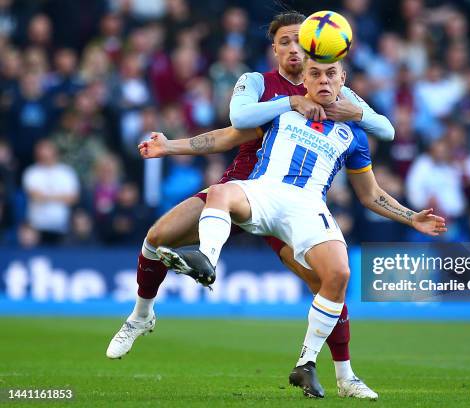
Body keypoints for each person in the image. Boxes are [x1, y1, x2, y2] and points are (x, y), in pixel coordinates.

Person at [106, 11, 394, 400]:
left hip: (294, 204)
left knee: (325, 282)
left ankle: (344, 376)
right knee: (157, 236)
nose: (294, 49)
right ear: (274, 48)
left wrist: (354, 111)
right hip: (243, 189)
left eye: (300, 41)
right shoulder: (258, 82)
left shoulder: (331, 86)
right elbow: (235, 122)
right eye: (285, 42)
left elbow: (384, 129)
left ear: (314, 44)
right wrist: (288, 102)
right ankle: (141, 316)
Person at [153, 56, 446, 398]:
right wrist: (169, 146)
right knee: (219, 192)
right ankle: (206, 258)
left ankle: (307, 364)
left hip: (308, 206)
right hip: (264, 190)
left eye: (331, 74)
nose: (323, 81)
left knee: (338, 273)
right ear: (304, 79)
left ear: (343, 80)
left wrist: (411, 218)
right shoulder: (280, 110)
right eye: (316, 74)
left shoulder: (353, 135)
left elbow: (370, 194)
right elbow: (225, 137)